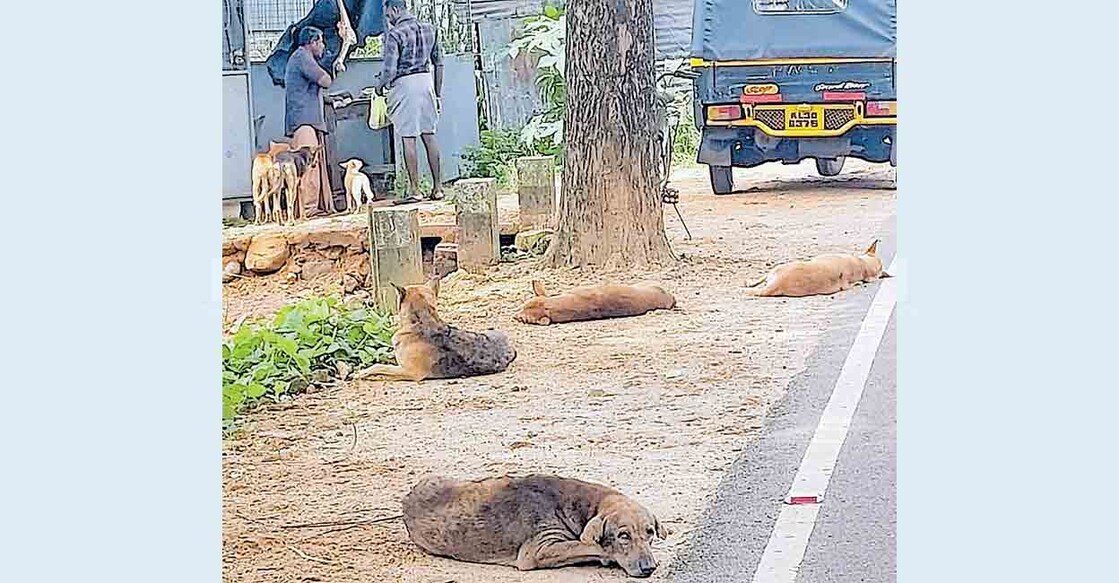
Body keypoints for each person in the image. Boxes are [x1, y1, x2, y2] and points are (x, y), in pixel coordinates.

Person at [375, 0, 445, 204]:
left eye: (388, 14)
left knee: (408, 137)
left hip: (405, 86)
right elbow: (439, 63)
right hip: (426, 82)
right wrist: (437, 93)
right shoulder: (430, 29)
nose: (388, 19)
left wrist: (379, 87)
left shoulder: (395, 35)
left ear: (395, 10)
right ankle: (438, 187)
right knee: (429, 134)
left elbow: (389, 70)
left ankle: (415, 190)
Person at [284, 26, 336, 218]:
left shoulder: (300, 58)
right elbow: (325, 81)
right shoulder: (303, 58)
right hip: (304, 121)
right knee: (308, 167)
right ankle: (309, 210)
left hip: (303, 119)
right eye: (321, 42)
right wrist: (333, 63)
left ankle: (312, 208)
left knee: (309, 165)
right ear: (312, 42)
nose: (323, 46)